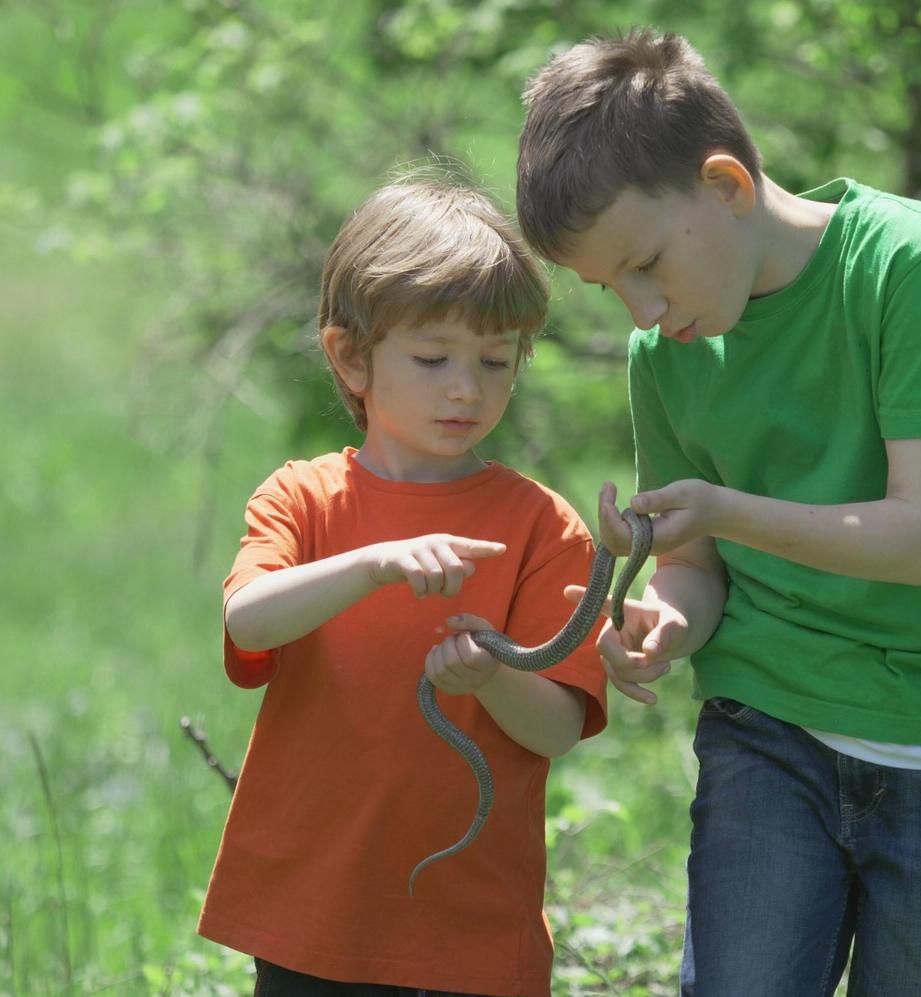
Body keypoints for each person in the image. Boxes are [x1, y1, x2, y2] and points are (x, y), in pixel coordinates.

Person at [515, 28, 921, 997]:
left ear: (726, 186)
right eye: (606, 286)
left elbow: (920, 539)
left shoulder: (907, 267)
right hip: (768, 723)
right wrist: (668, 622)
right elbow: (694, 567)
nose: (640, 310)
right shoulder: (666, 357)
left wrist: (724, 511)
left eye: (645, 262)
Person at [197, 174, 609, 997]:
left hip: (472, 930)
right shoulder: (301, 498)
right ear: (351, 356)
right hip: (309, 918)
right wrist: (374, 562)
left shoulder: (542, 527)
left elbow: (557, 727)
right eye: (432, 357)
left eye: (497, 360)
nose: (467, 387)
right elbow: (249, 621)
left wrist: (489, 675)